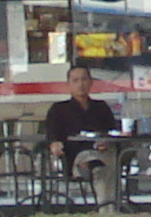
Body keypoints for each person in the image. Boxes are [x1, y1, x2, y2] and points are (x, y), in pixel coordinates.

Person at [41, 64, 120, 192]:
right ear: (68, 84)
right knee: (99, 167)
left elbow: (111, 131)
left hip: (103, 152)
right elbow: (52, 134)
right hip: (77, 156)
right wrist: (55, 144)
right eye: (75, 81)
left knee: (109, 161)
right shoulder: (59, 109)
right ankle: (107, 207)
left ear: (91, 82)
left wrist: (105, 142)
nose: (80, 84)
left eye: (84, 80)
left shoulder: (101, 107)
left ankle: (108, 206)